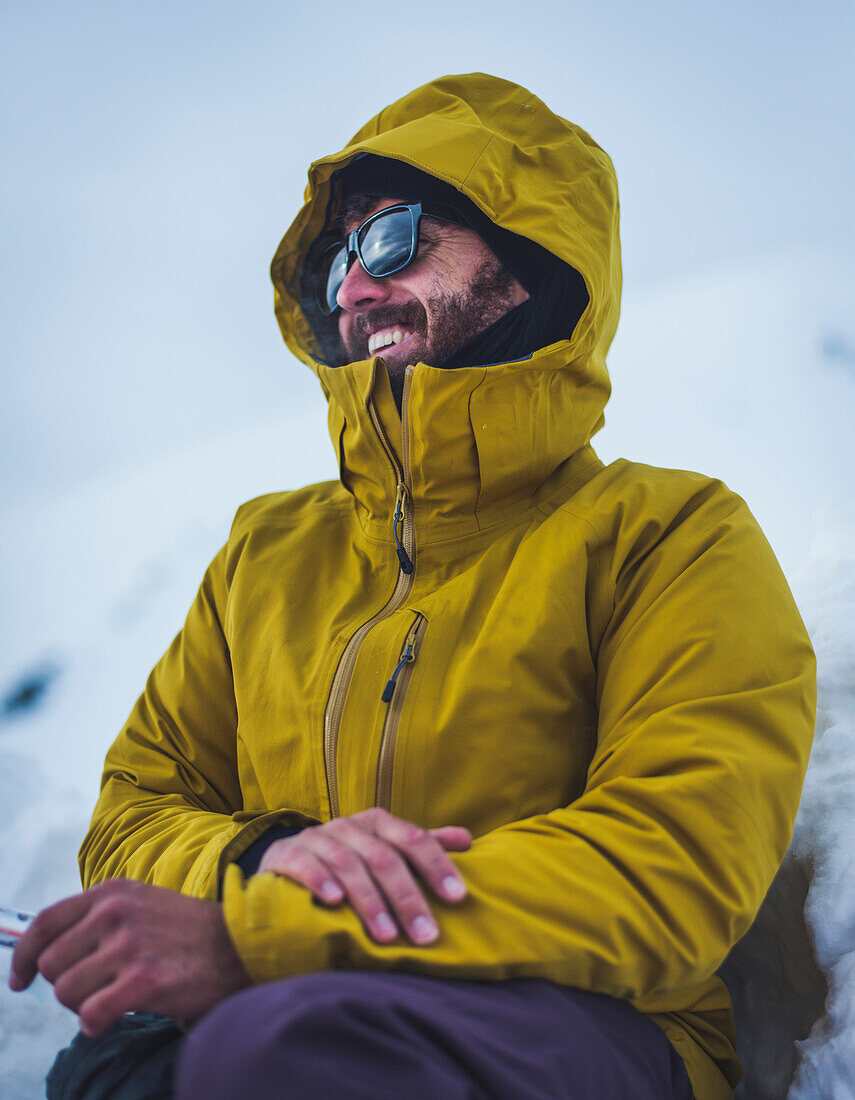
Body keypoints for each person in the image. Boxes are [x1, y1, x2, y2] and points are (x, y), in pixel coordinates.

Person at [10, 73, 815, 1100]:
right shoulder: (266, 551)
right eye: (344, 256)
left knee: (284, 1052)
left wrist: (278, 938)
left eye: (395, 241)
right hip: (262, 1010)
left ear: (529, 263)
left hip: (588, 1026)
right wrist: (268, 863)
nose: (352, 287)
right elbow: (134, 805)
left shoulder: (670, 536)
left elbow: (671, 862)